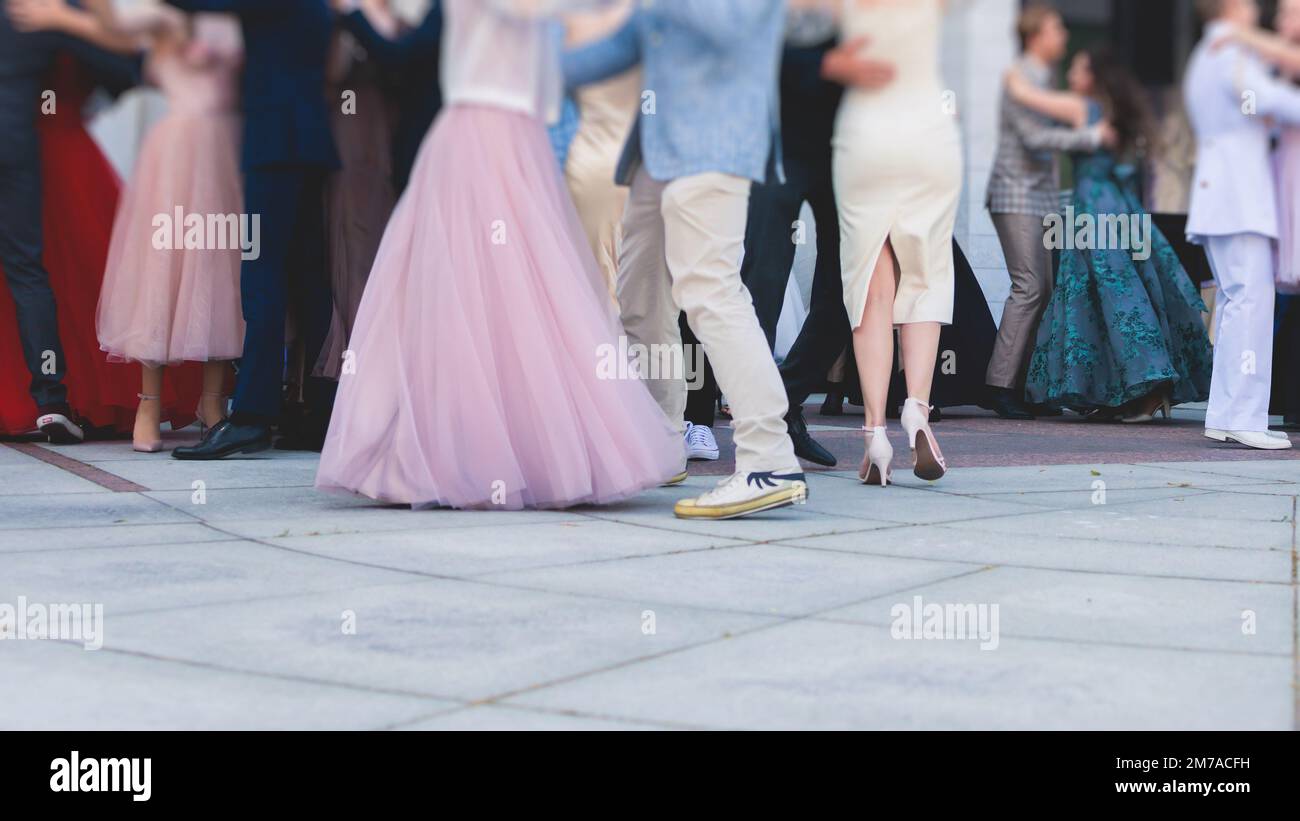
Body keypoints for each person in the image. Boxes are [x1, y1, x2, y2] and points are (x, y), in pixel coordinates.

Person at [315, 0, 681, 511]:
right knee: (497, 288)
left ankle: (474, 451)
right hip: (497, 133)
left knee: (488, 286)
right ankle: (501, 449)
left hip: (490, 134)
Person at [566, 1, 810, 520]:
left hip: (714, 146)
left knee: (710, 290)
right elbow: (620, 45)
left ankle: (768, 457)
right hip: (655, 153)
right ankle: (661, 444)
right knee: (639, 297)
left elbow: (729, 25)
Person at [17, 1, 245, 453]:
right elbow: (124, 35)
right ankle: (149, 404)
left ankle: (211, 401)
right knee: (162, 270)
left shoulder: (231, 19)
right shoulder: (169, 19)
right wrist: (72, 17)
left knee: (221, 270)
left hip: (226, 149)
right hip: (180, 151)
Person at [163, 0, 340, 460]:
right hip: (305, 140)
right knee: (307, 277)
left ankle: (250, 418)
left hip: (277, 143)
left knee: (261, 275)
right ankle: (324, 412)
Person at [1008, 48, 1212, 421]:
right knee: (1111, 296)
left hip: (1095, 208)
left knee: (1114, 297)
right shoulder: (1111, 112)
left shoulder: (1084, 108)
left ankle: (1150, 389)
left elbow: (1025, 95)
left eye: (1078, 68)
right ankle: (1127, 391)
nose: (1071, 75)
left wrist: (1016, 67)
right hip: (1118, 205)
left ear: (1094, 77)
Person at [0, 0, 161, 442]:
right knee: (28, 270)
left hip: (40, 145)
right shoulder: (43, 10)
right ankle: (51, 401)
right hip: (25, 145)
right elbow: (125, 70)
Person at [984, 3, 1114, 421]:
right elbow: (1034, 138)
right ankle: (999, 386)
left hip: (1037, 196)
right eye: (1057, 27)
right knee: (1030, 288)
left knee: (1041, 288)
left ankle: (1021, 386)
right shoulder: (1021, 76)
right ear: (1036, 34)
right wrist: (1090, 135)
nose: (1063, 34)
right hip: (1015, 195)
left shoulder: (1043, 78)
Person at [1185, 0, 1300, 450]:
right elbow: (1271, 101)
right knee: (1250, 303)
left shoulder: (1210, 52)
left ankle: (1225, 413)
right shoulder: (1228, 53)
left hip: (1223, 195)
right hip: (1238, 196)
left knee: (1237, 304)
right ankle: (1246, 417)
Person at [335, 0, 442, 196]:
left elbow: (398, 57)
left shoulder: (440, 11)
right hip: (354, 110)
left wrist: (353, 12)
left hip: (398, 125)